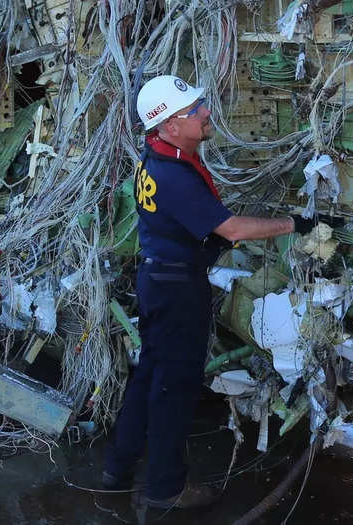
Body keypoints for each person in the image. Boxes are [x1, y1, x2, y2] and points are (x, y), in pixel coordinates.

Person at [103, 75, 313, 512]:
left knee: (148, 378)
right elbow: (232, 228)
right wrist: (296, 223)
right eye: (193, 110)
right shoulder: (174, 174)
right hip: (177, 288)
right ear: (169, 125)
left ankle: (117, 469)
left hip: (160, 281)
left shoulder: (157, 156)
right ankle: (165, 490)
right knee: (174, 390)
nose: (205, 113)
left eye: (201, 103)